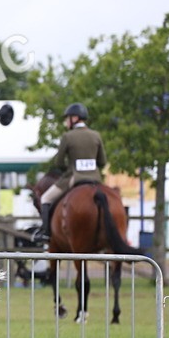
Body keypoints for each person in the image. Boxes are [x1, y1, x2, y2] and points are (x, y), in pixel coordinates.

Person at [33, 102, 106, 244]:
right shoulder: (96, 135)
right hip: (95, 178)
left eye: (67, 118)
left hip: (74, 177)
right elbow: (102, 162)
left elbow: (58, 163)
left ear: (74, 118)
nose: (66, 121)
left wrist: (69, 167)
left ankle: (46, 233)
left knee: (45, 199)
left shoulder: (68, 137)